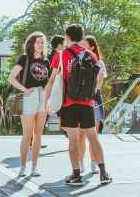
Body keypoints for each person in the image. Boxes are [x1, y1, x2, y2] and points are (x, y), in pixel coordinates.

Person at [44, 24, 112, 186]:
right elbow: (96, 82)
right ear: (81, 38)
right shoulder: (91, 56)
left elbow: (52, 80)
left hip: (69, 103)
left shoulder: (61, 55)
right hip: (88, 103)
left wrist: (47, 101)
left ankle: (76, 175)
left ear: (67, 37)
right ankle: (103, 173)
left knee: (73, 139)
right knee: (93, 138)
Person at [8, 32, 51, 177]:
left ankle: (34, 167)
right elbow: (11, 77)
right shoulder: (25, 58)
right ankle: (22, 167)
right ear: (32, 43)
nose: (40, 45)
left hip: (43, 97)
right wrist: (25, 90)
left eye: (42, 42)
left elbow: (48, 83)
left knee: (38, 135)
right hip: (29, 97)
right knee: (27, 135)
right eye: (38, 42)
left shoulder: (46, 61)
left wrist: (47, 97)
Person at [78, 35, 107, 174]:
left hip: (94, 99)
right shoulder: (78, 60)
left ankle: (94, 162)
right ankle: (80, 163)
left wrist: (91, 94)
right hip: (81, 100)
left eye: (84, 44)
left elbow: (99, 82)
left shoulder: (99, 63)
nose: (81, 46)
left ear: (92, 47)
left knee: (93, 135)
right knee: (81, 135)